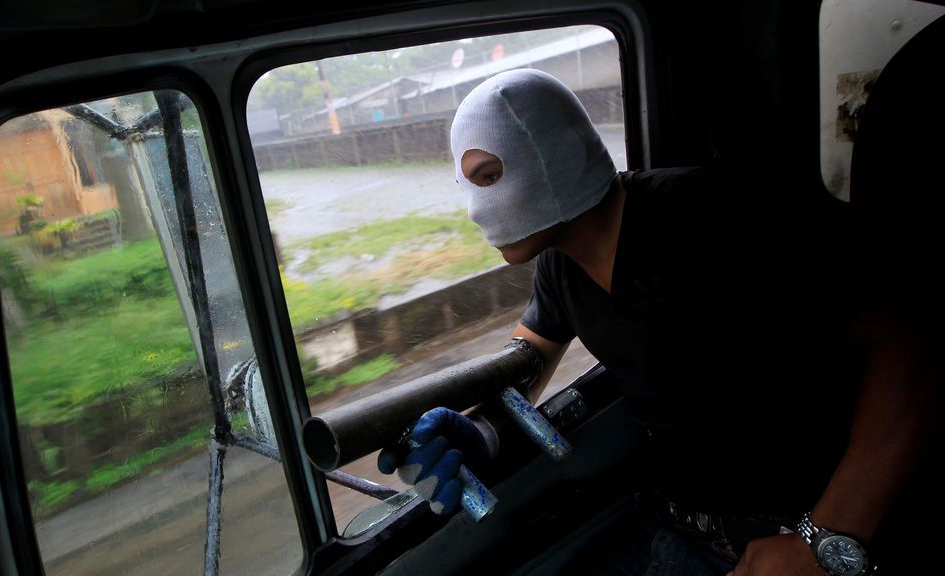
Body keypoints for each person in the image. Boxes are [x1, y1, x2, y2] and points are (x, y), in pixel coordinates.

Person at [377, 68, 935, 575]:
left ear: (553, 150)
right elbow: (527, 356)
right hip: (677, 523)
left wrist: (825, 541)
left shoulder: (713, 216)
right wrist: (481, 430)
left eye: (490, 175)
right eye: (465, 183)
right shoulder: (559, 265)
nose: (476, 210)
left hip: (797, 525)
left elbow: (910, 344)